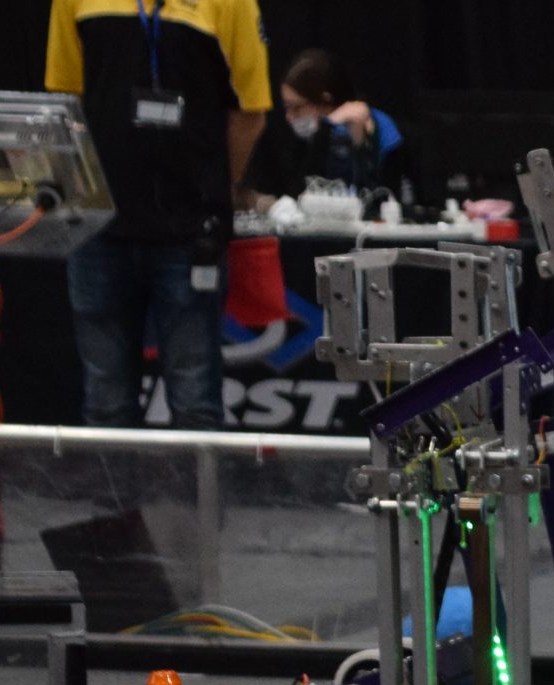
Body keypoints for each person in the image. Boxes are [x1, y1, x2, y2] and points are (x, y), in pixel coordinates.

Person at [46, 0, 271, 430]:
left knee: (195, 400)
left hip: (189, 232)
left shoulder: (231, 3)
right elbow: (67, 99)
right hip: (99, 228)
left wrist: (214, 188)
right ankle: (114, 481)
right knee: (105, 400)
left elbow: (250, 113)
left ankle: (199, 481)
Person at [250, 48, 403, 205]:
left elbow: (380, 200)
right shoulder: (304, 135)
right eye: (286, 107)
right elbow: (298, 197)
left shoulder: (380, 128)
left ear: (325, 101)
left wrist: (356, 141)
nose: (289, 117)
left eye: (296, 108)